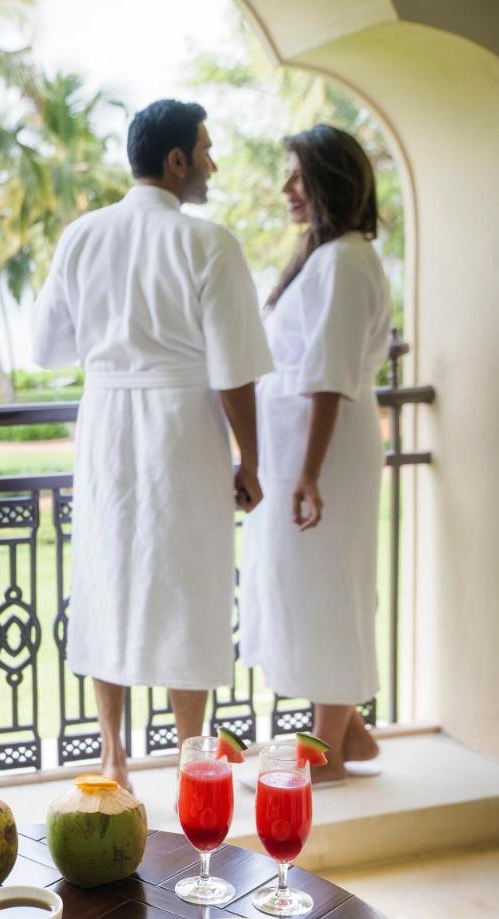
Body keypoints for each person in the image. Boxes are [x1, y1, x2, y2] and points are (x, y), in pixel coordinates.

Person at [33, 99, 273, 789]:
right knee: (188, 582)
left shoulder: (82, 235)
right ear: (175, 161)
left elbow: (48, 346)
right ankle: (187, 754)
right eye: (204, 149)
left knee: (106, 574)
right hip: (182, 427)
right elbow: (233, 372)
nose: (212, 162)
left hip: (106, 422)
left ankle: (112, 758)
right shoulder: (208, 242)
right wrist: (250, 460)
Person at [239, 124, 392, 784]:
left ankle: (326, 750)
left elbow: (327, 372)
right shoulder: (325, 257)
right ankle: (347, 731)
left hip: (320, 453)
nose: (286, 188)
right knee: (300, 585)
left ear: (333, 181)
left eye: (298, 176)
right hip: (298, 451)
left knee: (327, 588)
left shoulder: (344, 260)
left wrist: (304, 472)